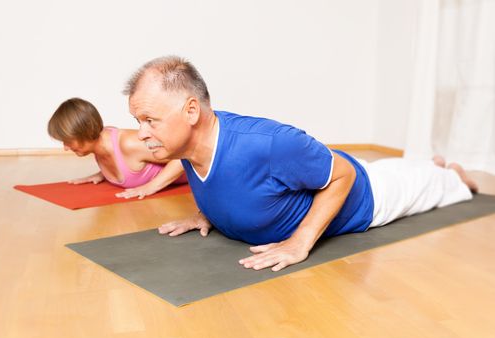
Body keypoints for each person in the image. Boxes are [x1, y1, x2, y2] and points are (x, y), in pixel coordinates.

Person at [123, 55, 478, 271]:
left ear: (190, 111)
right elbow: (229, 181)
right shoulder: (185, 145)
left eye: (150, 120)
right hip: (341, 170)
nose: (141, 133)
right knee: (396, 167)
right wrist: (207, 214)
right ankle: (431, 165)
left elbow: (344, 173)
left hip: (369, 197)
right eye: (139, 120)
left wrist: (300, 241)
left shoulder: (269, 143)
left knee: (441, 184)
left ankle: (452, 173)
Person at [47, 97, 187, 199]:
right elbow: (124, 162)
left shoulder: (128, 144)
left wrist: (151, 187)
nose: (65, 147)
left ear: (86, 132)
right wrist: (103, 174)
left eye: (67, 141)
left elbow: (183, 155)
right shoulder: (100, 144)